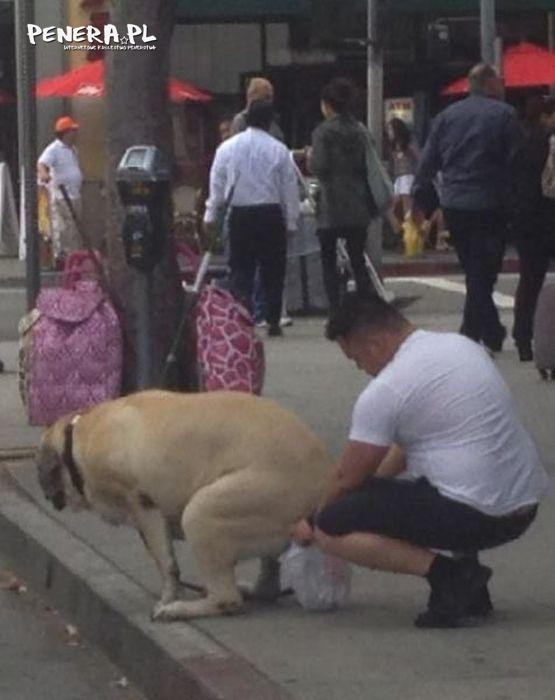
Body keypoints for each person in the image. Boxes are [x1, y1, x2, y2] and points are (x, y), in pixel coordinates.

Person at [293, 293, 547, 628]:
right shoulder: (460, 346)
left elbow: (346, 478)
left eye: (356, 359)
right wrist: (372, 492)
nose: (362, 369)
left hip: (477, 514)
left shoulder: (388, 388)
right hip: (523, 506)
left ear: (375, 343)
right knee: (451, 477)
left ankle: (449, 577)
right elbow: (400, 453)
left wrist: (313, 520)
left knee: (333, 524)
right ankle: (472, 592)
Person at [413, 64, 520, 353]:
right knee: (485, 269)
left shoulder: (447, 117)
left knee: (474, 267)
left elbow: (426, 164)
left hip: (456, 203)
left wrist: (423, 198)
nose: (503, 83)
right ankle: (473, 331)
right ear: (488, 83)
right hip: (491, 202)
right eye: (499, 79)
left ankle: (488, 330)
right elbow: (515, 162)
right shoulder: (505, 115)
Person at [204, 99, 299, 337]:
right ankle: (273, 319)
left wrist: (211, 213)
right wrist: (291, 220)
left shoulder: (227, 148)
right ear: (270, 122)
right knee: (273, 269)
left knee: (240, 268)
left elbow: (217, 182)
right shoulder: (279, 150)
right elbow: (289, 188)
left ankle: (241, 316)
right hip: (270, 213)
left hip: (240, 213)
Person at [308, 78, 375, 308]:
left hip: (331, 205)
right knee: (357, 258)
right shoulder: (360, 130)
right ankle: (367, 308)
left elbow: (320, 166)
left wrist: (310, 159)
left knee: (328, 260)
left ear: (327, 105)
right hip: (358, 203)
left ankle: (336, 310)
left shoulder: (322, 132)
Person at [510, 96, 555, 362]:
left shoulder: (523, 145)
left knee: (529, 281)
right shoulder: (549, 143)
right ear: (545, 116)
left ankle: (523, 338)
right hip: (548, 217)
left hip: (529, 223)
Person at [37, 116, 83, 266]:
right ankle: (62, 256)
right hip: (62, 196)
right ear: (65, 133)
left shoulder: (72, 149)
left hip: (74, 194)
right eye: (73, 131)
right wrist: (44, 174)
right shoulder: (54, 149)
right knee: (63, 228)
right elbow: (42, 163)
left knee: (74, 228)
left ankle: (73, 256)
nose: (75, 133)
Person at [387, 117, 420, 226]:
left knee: (407, 207)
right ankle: (401, 231)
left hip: (408, 176)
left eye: (390, 129)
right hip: (398, 178)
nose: (389, 133)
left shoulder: (409, 141)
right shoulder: (393, 145)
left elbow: (418, 157)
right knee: (392, 208)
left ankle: (409, 233)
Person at [230, 77, 284, 142]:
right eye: (266, 97)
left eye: (271, 97)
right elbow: (238, 146)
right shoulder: (241, 120)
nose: (270, 101)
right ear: (252, 97)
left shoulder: (273, 120)